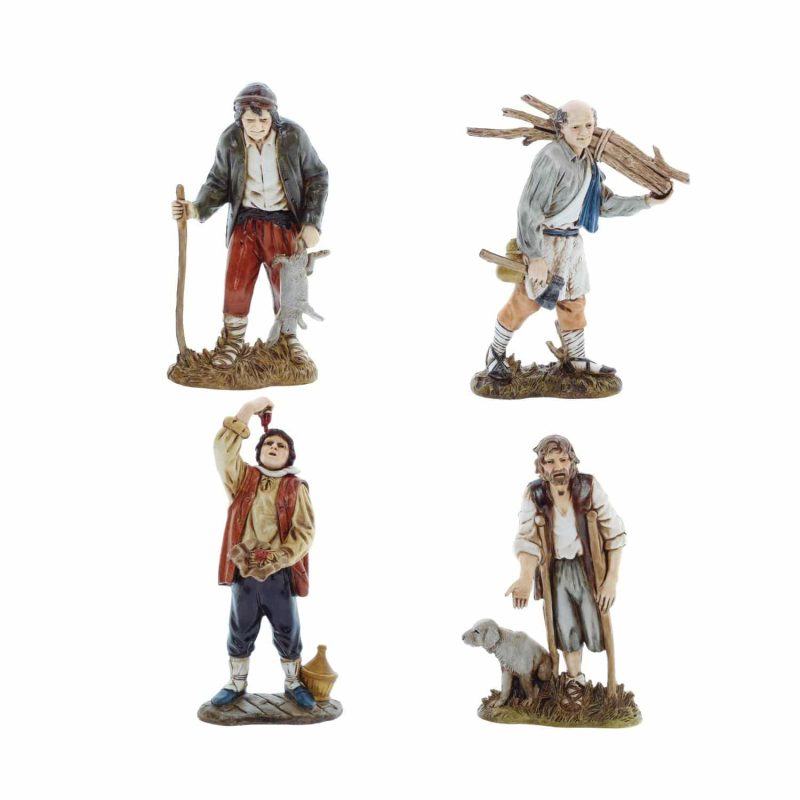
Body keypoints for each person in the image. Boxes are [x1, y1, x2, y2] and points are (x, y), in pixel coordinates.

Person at [485, 99, 668, 380]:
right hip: (545, 242)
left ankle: (576, 359)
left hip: (571, 243)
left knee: (573, 301)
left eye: (589, 125)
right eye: (576, 127)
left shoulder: (588, 162)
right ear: (561, 128)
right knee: (526, 301)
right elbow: (529, 209)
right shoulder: (552, 158)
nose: (583, 133)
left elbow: (602, 204)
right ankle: (494, 354)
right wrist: (535, 256)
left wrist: (646, 202)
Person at [171, 83, 328, 367]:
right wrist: (195, 208)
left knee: (287, 286)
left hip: (284, 223)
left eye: (263, 120)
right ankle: (232, 341)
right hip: (247, 224)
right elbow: (218, 182)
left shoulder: (293, 137)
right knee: (237, 282)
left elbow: (316, 176)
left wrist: (311, 223)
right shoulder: (230, 140)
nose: (257, 127)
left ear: (273, 117)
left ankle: (288, 338)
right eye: (250, 121)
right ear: (239, 119)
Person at [210, 396, 316, 709]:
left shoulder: (295, 487)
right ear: (258, 450)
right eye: (269, 443)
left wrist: (280, 557)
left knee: (287, 628)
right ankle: (236, 682)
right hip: (244, 573)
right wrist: (247, 410)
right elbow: (222, 451)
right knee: (240, 628)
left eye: (281, 446)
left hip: (279, 575)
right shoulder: (244, 480)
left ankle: (293, 682)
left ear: (289, 456)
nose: (273, 447)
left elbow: (304, 531)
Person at [505, 434, 625, 709]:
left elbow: (615, 534)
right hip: (556, 571)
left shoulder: (588, 487)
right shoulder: (535, 494)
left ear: (572, 461)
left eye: (563, 459)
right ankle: (575, 680)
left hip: (588, 569)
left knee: (594, 623)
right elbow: (527, 539)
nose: (558, 467)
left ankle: (604, 688)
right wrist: (525, 576)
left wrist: (611, 580)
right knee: (565, 624)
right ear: (541, 466)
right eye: (549, 461)